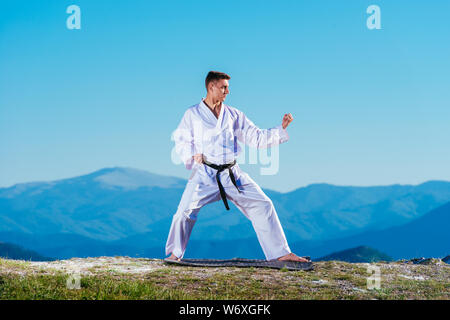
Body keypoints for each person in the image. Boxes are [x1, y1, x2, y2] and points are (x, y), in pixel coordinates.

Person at [165, 71, 309, 263]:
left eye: (228, 87)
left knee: (263, 205)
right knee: (183, 213)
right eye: (224, 87)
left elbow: (256, 137)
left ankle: (280, 254)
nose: (227, 91)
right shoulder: (192, 114)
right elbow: (181, 140)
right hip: (204, 174)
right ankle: (175, 254)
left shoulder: (234, 115)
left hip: (232, 173)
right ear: (211, 87)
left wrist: (280, 129)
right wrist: (192, 154)